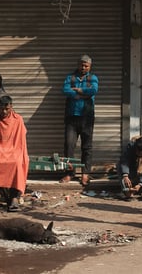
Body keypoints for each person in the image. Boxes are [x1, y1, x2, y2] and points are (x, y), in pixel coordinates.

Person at [60, 55, 99, 186]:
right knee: (69, 145)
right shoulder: (70, 78)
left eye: (86, 66)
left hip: (87, 118)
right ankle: (69, 173)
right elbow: (65, 90)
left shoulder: (92, 78)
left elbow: (93, 90)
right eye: (81, 65)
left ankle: (85, 174)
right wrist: (81, 95)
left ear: (90, 66)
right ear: (78, 64)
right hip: (72, 117)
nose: (83, 68)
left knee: (87, 147)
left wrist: (80, 89)